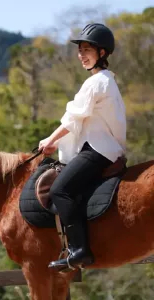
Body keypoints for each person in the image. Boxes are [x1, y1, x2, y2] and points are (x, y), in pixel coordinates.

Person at [38, 23, 126, 271]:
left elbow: (74, 117)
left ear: (102, 53)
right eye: (80, 50)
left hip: (99, 149)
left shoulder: (97, 82)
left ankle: (79, 250)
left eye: (87, 49)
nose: (81, 55)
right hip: (99, 147)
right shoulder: (104, 81)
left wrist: (51, 140)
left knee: (60, 191)